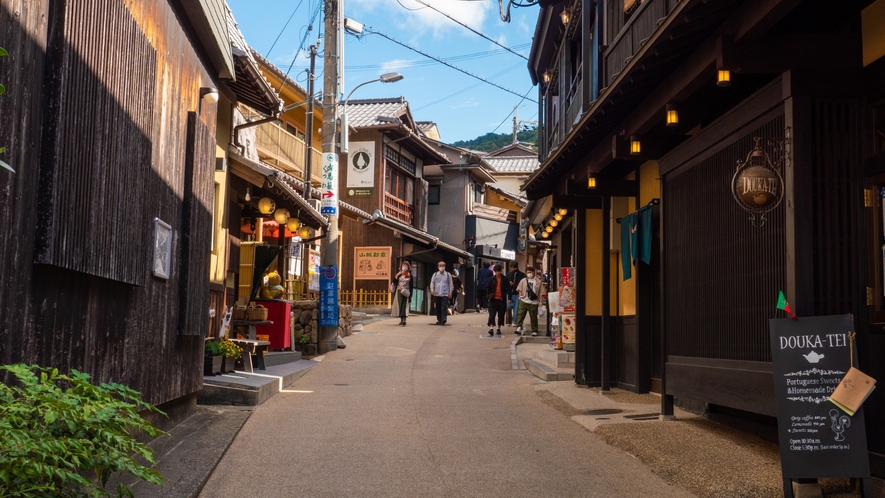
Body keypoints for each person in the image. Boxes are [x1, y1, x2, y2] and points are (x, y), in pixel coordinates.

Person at [515, 266, 546, 336]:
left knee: (533, 317)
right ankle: (519, 327)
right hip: (523, 300)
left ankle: (534, 330)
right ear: (526, 273)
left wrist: (540, 303)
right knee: (520, 315)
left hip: (534, 302)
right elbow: (519, 289)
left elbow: (541, 293)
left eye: (531, 272)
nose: (529, 274)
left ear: (533, 272)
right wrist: (520, 296)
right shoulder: (523, 280)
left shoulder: (538, 281)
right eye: (528, 272)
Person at [485, 264, 511, 337]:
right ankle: (491, 328)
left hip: (501, 300)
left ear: (501, 271)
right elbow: (488, 289)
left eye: (499, 271)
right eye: (496, 271)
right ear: (494, 272)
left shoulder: (505, 279)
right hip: (493, 299)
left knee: (501, 315)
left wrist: (509, 298)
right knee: (492, 314)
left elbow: (508, 288)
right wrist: (488, 297)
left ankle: (498, 328)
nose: (498, 273)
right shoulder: (491, 279)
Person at [391, 260, 413, 326]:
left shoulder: (409, 275)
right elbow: (394, 281)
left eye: (406, 265)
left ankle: (404, 319)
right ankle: (401, 319)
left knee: (404, 305)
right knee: (400, 305)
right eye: (403, 265)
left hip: (406, 291)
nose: (404, 267)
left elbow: (411, 285)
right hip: (399, 291)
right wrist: (397, 275)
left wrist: (410, 294)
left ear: (408, 267)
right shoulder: (399, 274)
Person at [505, 261, 526, 330]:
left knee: (516, 308)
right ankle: (509, 321)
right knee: (509, 307)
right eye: (512, 268)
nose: (513, 269)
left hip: (517, 293)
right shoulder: (509, 274)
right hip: (511, 293)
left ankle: (513, 321)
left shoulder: (522, 275)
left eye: (514, 268)